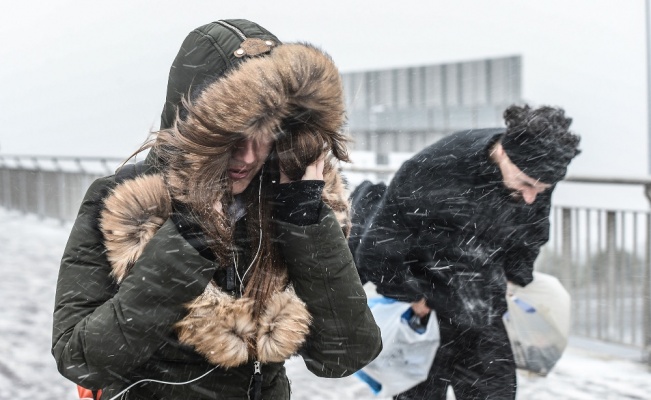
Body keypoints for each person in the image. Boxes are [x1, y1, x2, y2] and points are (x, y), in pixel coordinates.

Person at [52, 19, 382, 400]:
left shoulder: (291, 202)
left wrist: (305, 222)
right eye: (230, 134)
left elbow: (344, 356)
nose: (247, 156)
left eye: (264, 132)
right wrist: (186, 244)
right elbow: (79, 359)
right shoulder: (123, 199)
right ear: (193, 126)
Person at [356, 104, 580, 400]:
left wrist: (516, 278)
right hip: (426, 312)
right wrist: (412, 296)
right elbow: (377, 249)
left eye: (541, 189)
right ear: (503, 152)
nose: (530, 198)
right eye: (526, 184)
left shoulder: (535, 171)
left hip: (483, 310)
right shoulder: (431, 170)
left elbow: (530, 235)